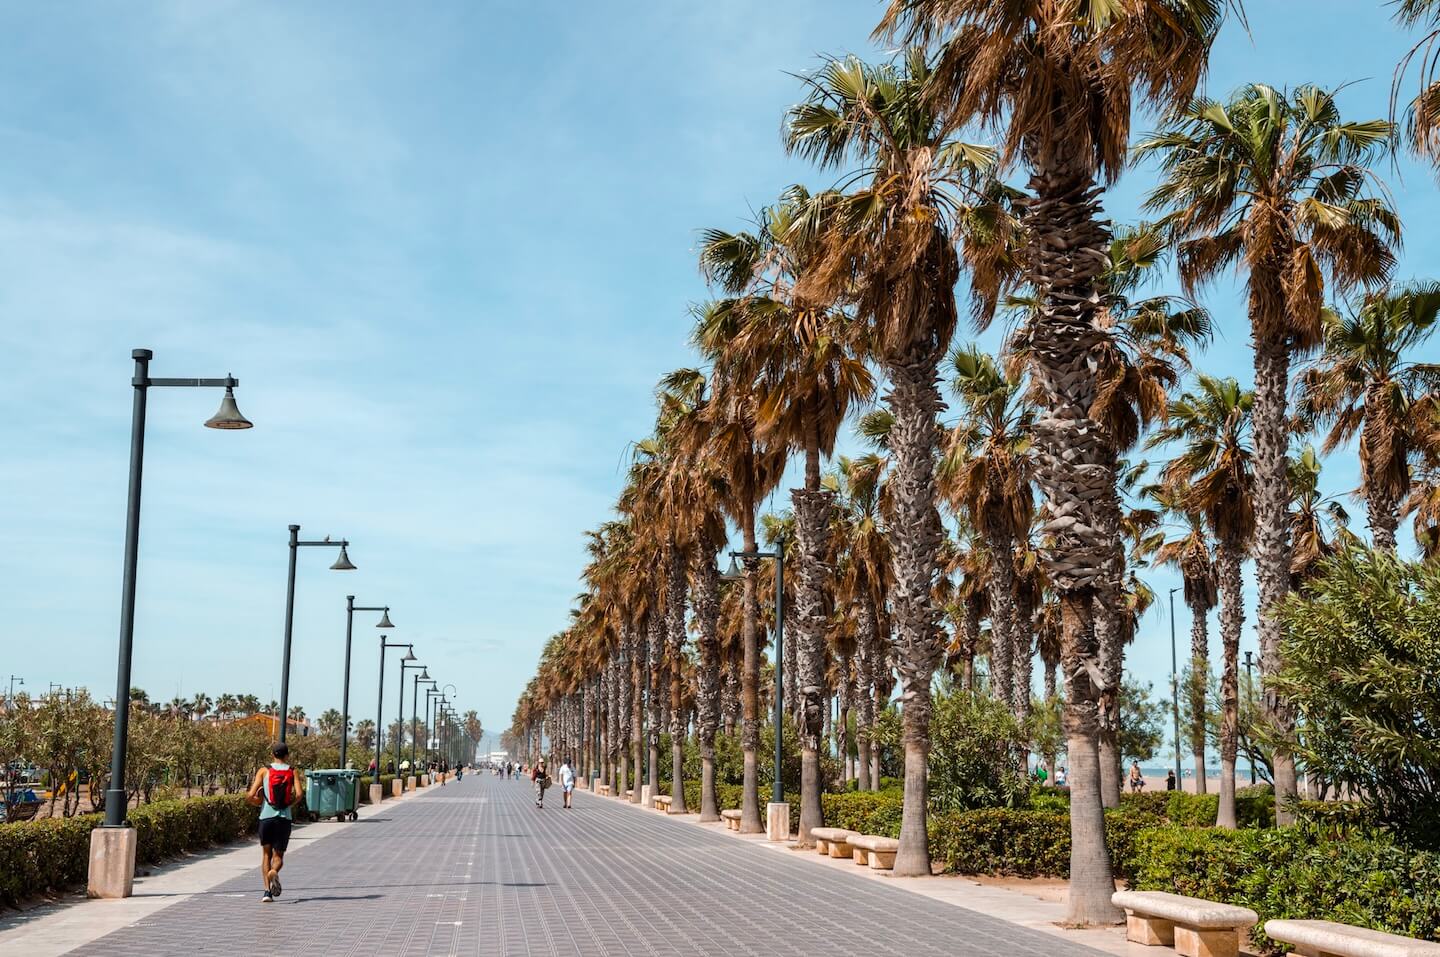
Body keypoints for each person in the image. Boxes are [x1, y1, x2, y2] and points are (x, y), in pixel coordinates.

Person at [246, 741, 304, 904]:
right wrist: (289, 806)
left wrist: (258, 802)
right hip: (284, 819)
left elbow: (250, 795)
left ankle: (267, 893)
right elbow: (299, 794)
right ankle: (274, 871)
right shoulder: (292, 771)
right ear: (287, 755)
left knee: (266, 854)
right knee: (278, 855)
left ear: (272, 755)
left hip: (266, 817)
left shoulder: (264, 771)